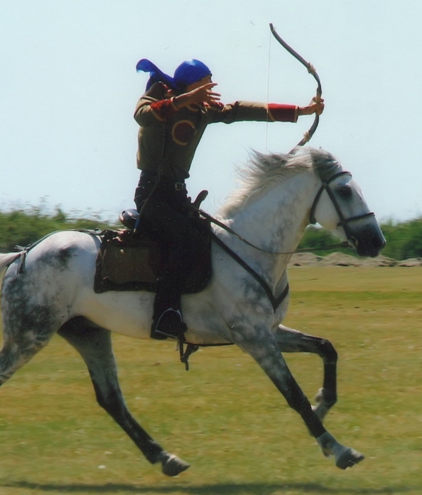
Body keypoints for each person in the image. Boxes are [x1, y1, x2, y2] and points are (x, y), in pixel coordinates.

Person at [132, 58, 324, 340]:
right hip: (152, 195)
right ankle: (164, 314)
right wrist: (185, 99)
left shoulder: (203, 110)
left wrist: (301, 111)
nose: (211, 87)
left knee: (209, 241)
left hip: (176, 195)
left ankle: (201, 310)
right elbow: (142, 115)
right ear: (192, 84)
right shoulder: (161, 94)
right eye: (206, 82)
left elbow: (239, 110)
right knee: (184, 242)